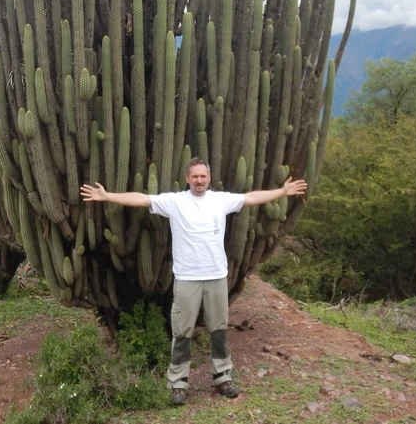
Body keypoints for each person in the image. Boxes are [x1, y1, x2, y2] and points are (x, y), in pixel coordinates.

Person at [80, 157, 307, 406]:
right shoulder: (175, 201)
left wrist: (282, 192)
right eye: (195, 176)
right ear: (188, 178)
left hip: (216, 276)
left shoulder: (221, 200)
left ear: (209, 178)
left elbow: (251, 197)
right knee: (182, 331)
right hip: (187, 278)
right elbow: (142, 199)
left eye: (203, 176)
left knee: (218, 329)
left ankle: (223, 377)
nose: (199, 180)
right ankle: (178, 383)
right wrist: (107, 196)